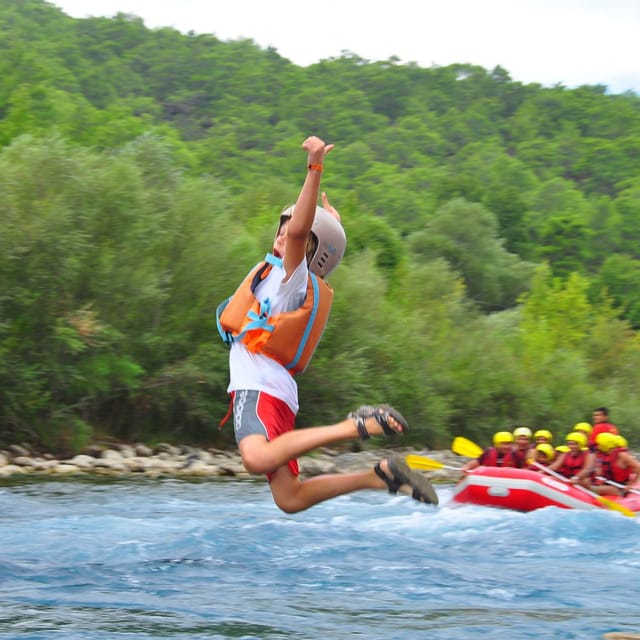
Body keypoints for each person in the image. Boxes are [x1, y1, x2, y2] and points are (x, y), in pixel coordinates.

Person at [216, 135, 437, 513]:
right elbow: (305, 233)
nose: (285, 233)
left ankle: (354, 427)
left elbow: (302, 233)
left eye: (295, 232)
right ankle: (378, 476)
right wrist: (330, 227)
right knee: (290, 498)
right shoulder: (279, 277)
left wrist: (314, 167)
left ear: (310, 252)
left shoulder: (291, 279)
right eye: (280, 228)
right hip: (275, 394)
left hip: (258, 390)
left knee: (255, 458)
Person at [592, 432, 640, 496]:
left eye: (599, 445)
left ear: (605, 445)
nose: (598, 447)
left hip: (619, 487)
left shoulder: (621, 455)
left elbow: (638, 467)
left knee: (594, 489)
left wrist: (631, 484)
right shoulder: (604, 454)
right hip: (609, 482)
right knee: (590, 484)